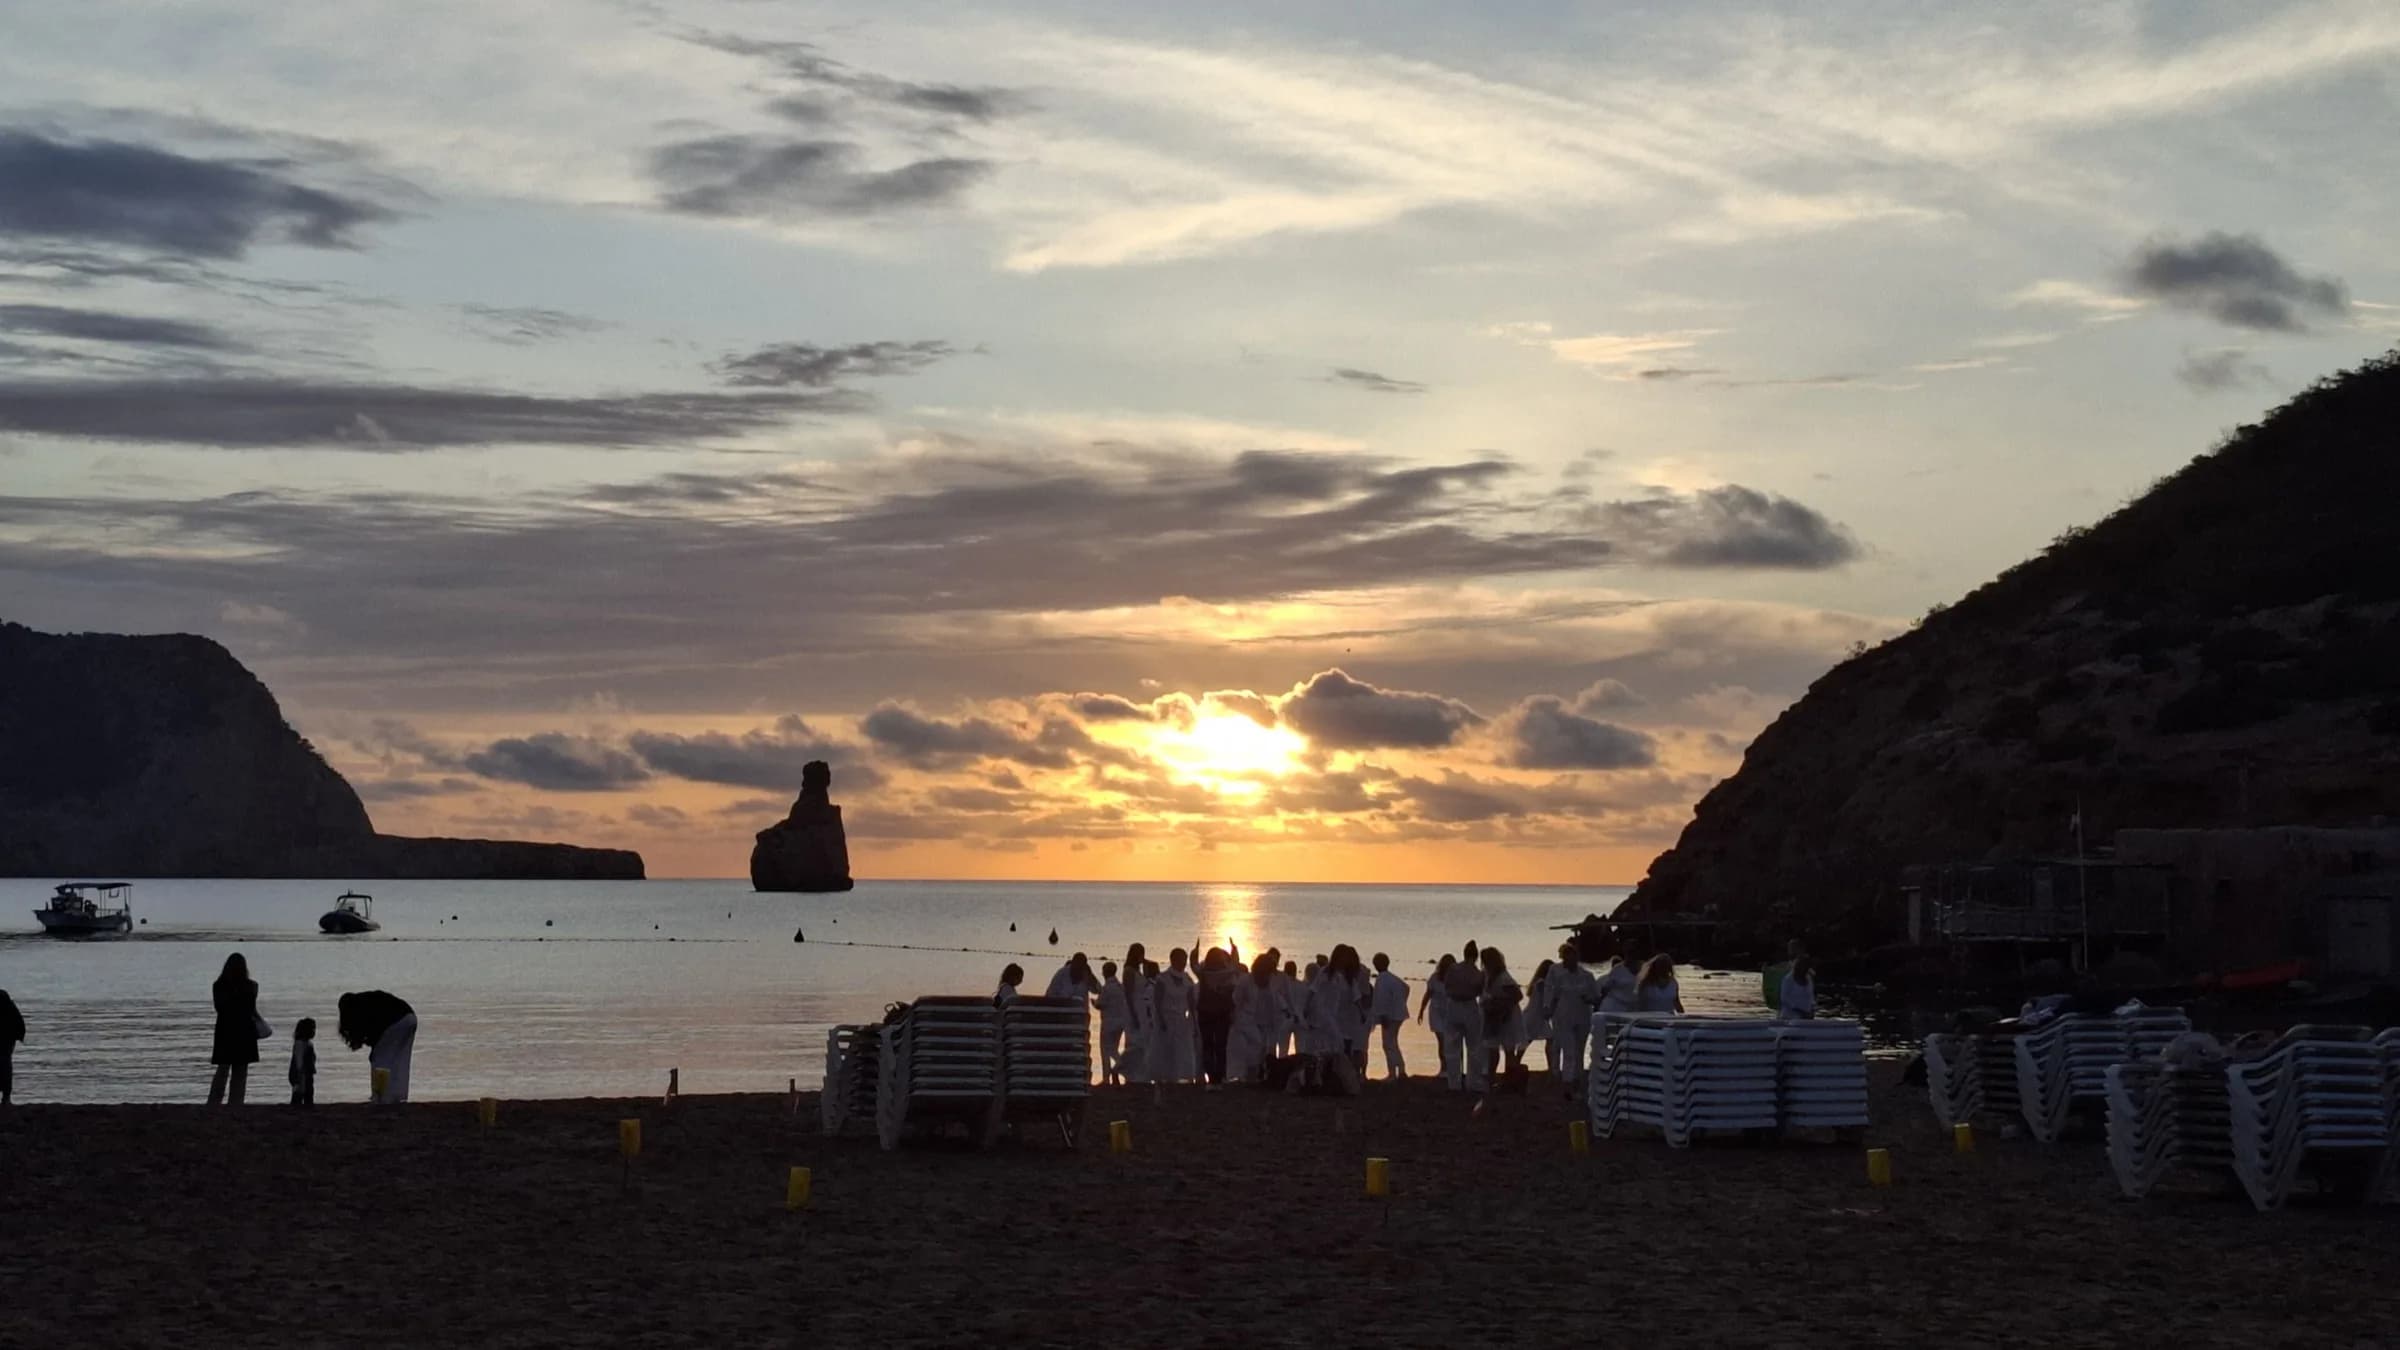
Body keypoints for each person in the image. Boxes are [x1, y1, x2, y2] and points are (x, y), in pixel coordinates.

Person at [337, 990, 418, 1103]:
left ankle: (380, 1096)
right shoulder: (367, 1000)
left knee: (380, 1061)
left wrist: (374, 1050)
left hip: (395, 1021)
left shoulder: (361, 1008)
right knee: (399, 1060)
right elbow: (375, 1031)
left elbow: (375, 1031)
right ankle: (397, 1095)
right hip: (411, 1018)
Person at [1542, 943, 1599, 1095]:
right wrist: (1547, 1008)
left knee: (1580, 1049)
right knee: (1568, 1049)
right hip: (1562, 1016)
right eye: (1565, 958)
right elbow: (1549, 991)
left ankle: (1577, 1080)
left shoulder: (1587, 976)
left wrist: (1589, 998)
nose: (1567, 962)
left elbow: (1596, 997)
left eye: (1571, 958)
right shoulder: (1555, 972)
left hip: (1582, 1016)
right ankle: (1567, 1081)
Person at [208, 952, 262, 1106]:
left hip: (225, 1030)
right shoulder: (252, 986)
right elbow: (251, 1008)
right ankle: (236, 1102)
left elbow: (219, 1008)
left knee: (223, 1069)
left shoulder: (218, 985)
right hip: (245, 1030)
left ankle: (214, 1101)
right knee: (240, 1071)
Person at [1440, 946, 1487, 1090]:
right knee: (1474, 1046)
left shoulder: (1453, 969)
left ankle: (1453, 1083)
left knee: (1452, 1046)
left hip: (1454, 1005)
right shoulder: (1478, 973)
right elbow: (1480, 990)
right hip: (1469, 1006)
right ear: (1476, 956)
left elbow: (1446, 986)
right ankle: (1473, 1082)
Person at [1229, 953, 1282, 1082]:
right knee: (1253, 1047)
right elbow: (1236, 1001)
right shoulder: (1245, 981)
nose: (1270, 974)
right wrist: (1234, 1019)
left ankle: (1259, 1076)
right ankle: (1249, 1076)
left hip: (1267, 1020)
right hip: (1247, 1020)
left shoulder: (1272, 981)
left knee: (1265, 1048)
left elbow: (1276, 999)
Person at [1148, 949, 1197, 1083]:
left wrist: (1194, 1022)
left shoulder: (1187, 979)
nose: (1183, 962)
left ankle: (1180, 1078)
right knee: (1165, 1050)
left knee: (1182, 1050)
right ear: (1173, 959)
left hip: (1181, 1020)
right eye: (1181, 959)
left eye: (1185, 959)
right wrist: (1161, 1020)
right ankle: (1163, 1079)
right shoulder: (1162, 978)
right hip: (1165, 1020)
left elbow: (1192, 1003)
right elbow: (1157, 1002)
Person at [1195, 948, 1242, 1087]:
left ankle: (1211, 1077)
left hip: (1205, 1012)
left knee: (1207, 1045)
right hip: (1222, 1012)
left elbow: (1193, 964)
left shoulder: (1203, 973)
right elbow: (1235, 965)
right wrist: (1235, 951)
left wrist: (1195, 951)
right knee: (1221, 1046)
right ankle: (1219, 1077)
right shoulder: (1228, 973)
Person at [1478, 947, 1525, 1080]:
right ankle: (1491, 1075)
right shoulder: (1488, 975)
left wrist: (1501, 1006)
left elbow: (1517, 996)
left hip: (1507, 1017)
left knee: (1508, 1048)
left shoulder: (1504, 977)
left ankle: (1510, 1078)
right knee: (1492, 1048)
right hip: (1493, 1016)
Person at [1368, 953, 1410, 1080]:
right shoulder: (1392, 978)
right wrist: (1401, 1003)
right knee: (1392, 1042)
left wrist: (1383, 1015)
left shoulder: (1382, 979)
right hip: (1398, 1014)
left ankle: (1394, 1073)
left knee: (1388, 1044)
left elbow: (1381, 999)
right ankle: (1400, 1070)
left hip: (1389, 1016)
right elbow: (1406, 988)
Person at [1417, 954, 1458, 1086]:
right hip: (1436, 1012)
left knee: (1450, 1041)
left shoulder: (1454, 978)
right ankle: (1444, 1068)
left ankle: (1452, 1068)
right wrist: (1421, 1010)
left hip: (1450, 1012)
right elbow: (1428, 994)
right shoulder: (1435, 978)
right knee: (1442, 1041)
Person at [1097, 960, 1130, 1085]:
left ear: (1105, 973)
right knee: (1113, 1048)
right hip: (1121, 1023)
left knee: (1105, 1050)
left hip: (1108, 1023)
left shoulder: (1107, 988)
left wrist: (1094, 1003)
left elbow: (1100, 1004)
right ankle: (1119, 1068)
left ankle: (1107, 1078)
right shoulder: (1121, 987)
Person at [1524, 958, 1555, 1071]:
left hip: (1534, 1015)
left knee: (1548, 1039)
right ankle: (1551, 1066)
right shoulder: (1542, 983)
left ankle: (1550, 1066)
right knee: (1528, 1040)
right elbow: (1545, 1000)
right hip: (1535, 1016)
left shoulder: (1537, 982)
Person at [288, 1017, 318, 1107]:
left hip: (307, 1072)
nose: (314, 1032)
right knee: (299, 1092)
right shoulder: (300, 1044)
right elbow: (299, 1060)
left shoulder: (307, 1043)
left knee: (307, 1092)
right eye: (312, 1029)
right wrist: (300, 1073)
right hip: (301, 1073)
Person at [0, 990, 23, 1105]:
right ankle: (6, 1097)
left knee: (5, 1066)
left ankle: (6, 1097)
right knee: (6, 1067)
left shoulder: (8, 1005)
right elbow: (19, 1022)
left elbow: (19, 1023)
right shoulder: (9, 1005)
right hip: (8, 1040)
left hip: (6, 1040)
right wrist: (20, 1036)